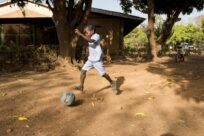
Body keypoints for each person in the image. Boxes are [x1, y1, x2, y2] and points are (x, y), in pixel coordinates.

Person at [74, 25, 118, 94]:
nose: (85, 33)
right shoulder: (89, 36)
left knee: (103, 74)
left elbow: (90, 40)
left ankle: (112, 82)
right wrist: (82, 34)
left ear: (92, 31)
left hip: (97, 59)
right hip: (91, 59)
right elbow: (87, 39)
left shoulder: (96, 36)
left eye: (87, 32)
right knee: (83, 71)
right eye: (85, 32)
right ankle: (81, 86)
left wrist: (80, 34)